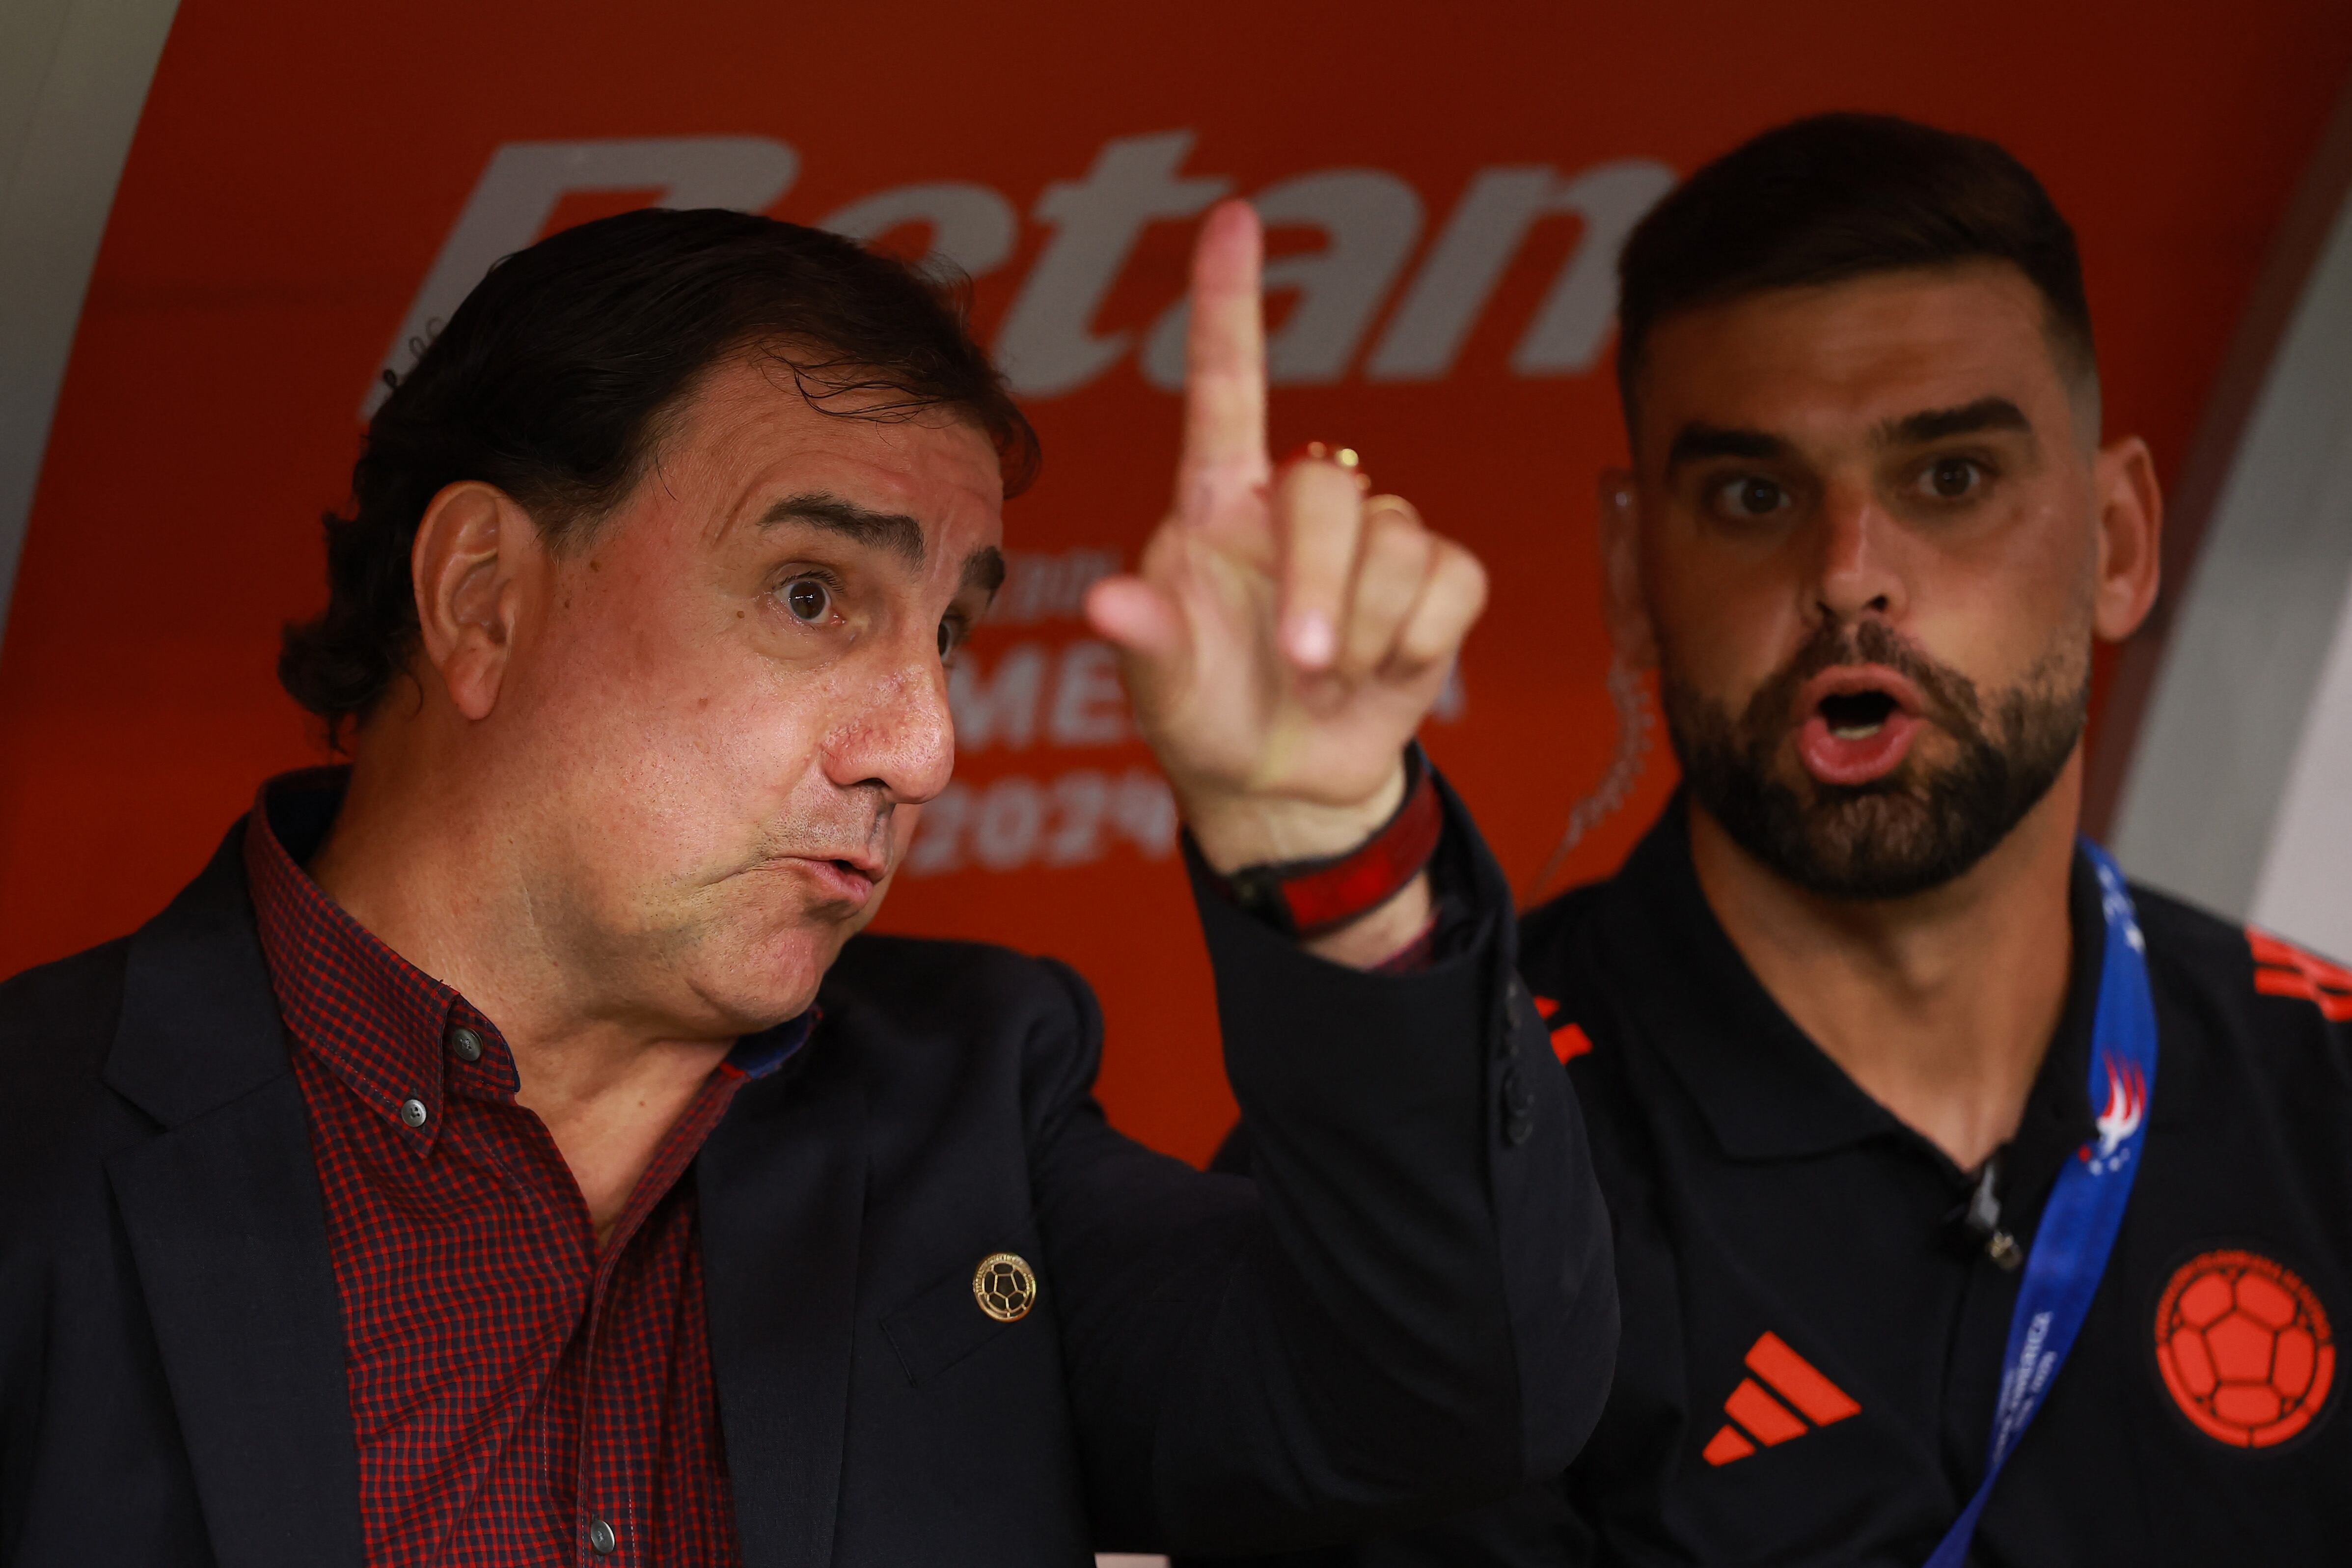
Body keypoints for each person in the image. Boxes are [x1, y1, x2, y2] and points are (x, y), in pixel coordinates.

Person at [0, 200, 1618, 1566]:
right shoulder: (35, 1139)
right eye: (809, 592)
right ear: (482, 599)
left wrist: (1333, 846)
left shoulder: (977, 1103)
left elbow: (1453, 1398)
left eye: (952, 631)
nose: (922, 747)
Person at [1206, 114, 2352, 1565]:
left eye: (1950, 478)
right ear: (1633, 573)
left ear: (2119, 541)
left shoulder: (2323, 1093)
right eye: (1754, 496)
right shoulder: (1428, 1186)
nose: (1847, 577)